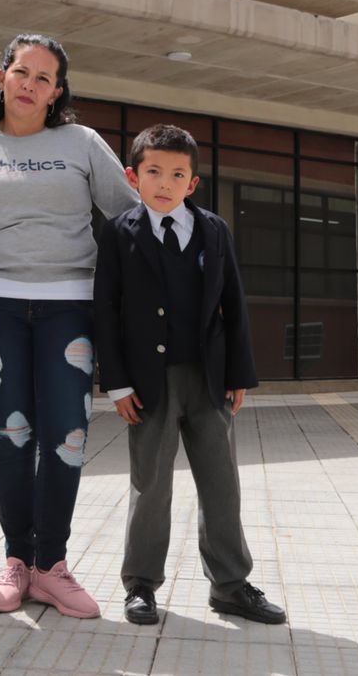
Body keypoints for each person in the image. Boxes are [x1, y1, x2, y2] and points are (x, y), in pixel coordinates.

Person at [0, 34, 136, 619]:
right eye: (22, 72)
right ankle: (16, 560)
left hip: (69, 305)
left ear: (57, 91)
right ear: (2, 77)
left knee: (68, 439)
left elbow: (127, 215)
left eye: (44, 77)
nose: (30, 84)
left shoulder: (82, 142)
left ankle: (51, 565)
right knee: (11, 438)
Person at [92, 124, 287, 626]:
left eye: (178, 174)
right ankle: (140, 585)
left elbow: (234, 306)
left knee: (221, 484)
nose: (165, 182)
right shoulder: (117, 233)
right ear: (134, 177)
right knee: (150, 484)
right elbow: (105, 311)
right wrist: (117, 383)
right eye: (154, 171)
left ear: (192, 183)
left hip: (209, 379)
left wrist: (239, 373)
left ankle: (230, 585)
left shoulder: (214, 231)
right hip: (147, 384)